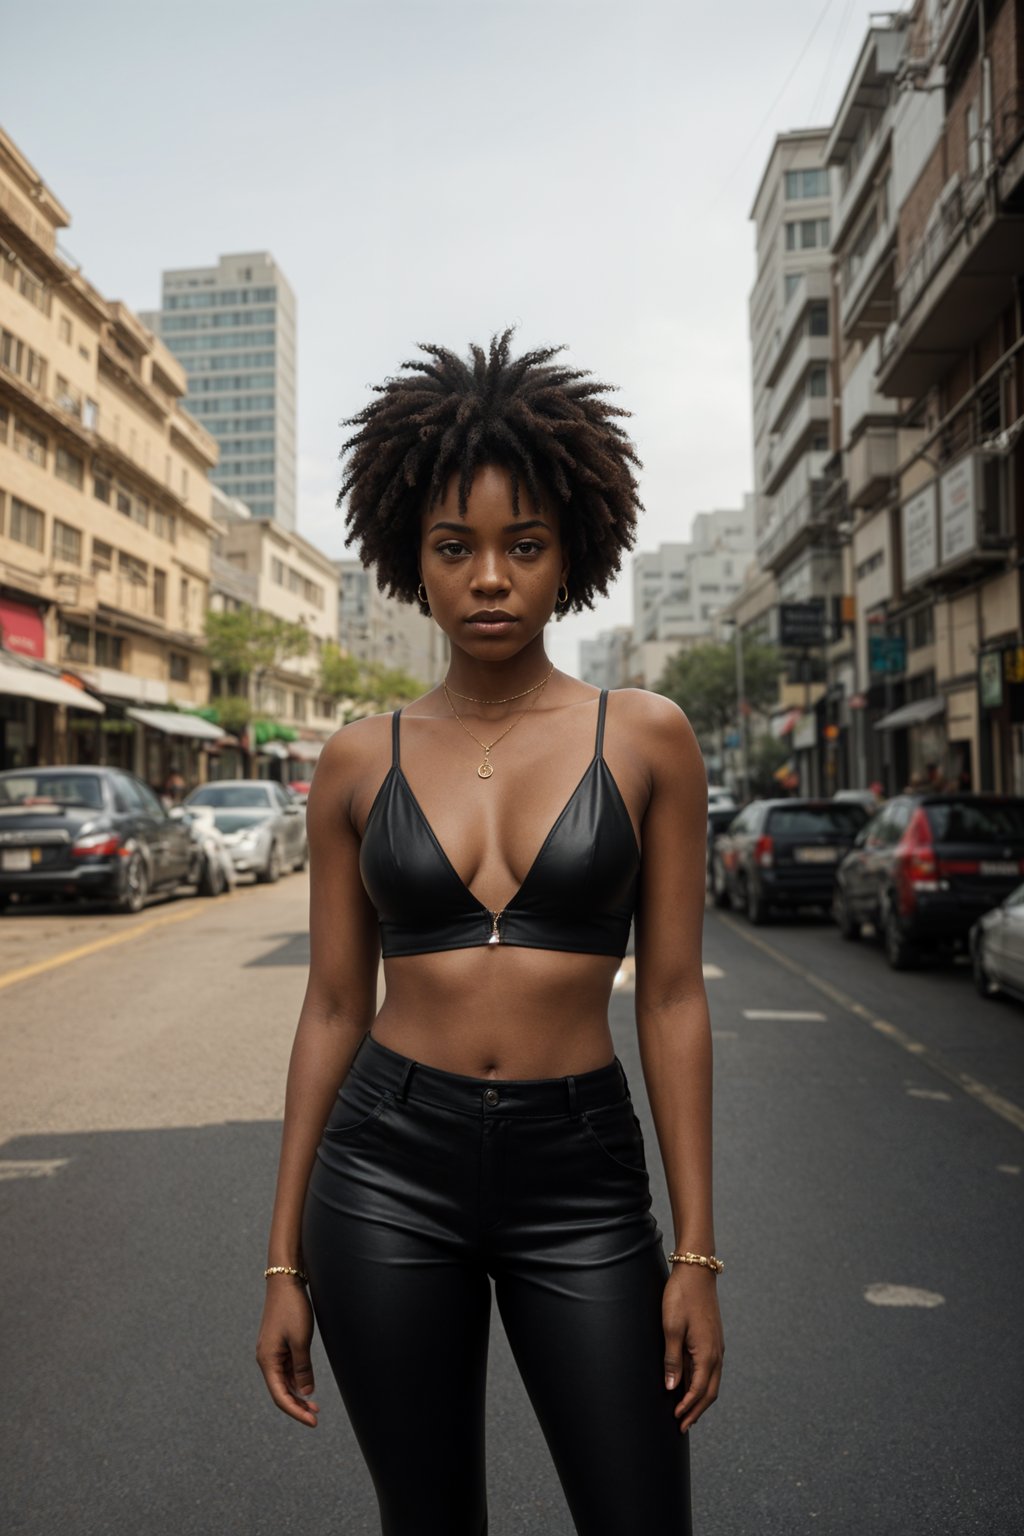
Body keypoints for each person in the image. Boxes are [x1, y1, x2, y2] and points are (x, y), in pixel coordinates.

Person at [256, 331, 724, 1535]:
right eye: (454, 548)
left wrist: (695, 1255)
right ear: (413, 561)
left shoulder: (647, 734)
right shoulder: (361, 757)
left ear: (571, 554)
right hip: (383, 1172)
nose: (490, 580)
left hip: (581, 1178)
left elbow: (671, 999)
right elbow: (330, 1008)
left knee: (638, 1516)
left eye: (524, 546)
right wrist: (281, 1263)